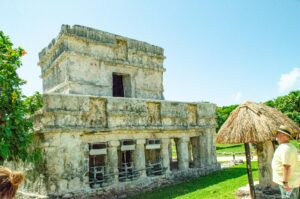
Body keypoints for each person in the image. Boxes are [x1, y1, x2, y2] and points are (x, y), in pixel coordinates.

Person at [271, 125, 300, 199]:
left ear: (284, 135)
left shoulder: (285, 148)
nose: (277, 136)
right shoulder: (287, 146)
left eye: (278, 133)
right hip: (290, 182)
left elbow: (286, 166)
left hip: (289, 183)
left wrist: (285, 183)